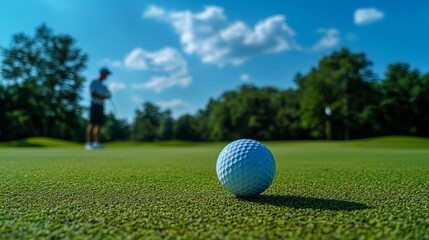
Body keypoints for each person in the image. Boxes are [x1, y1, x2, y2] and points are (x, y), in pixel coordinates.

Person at [85, 67, 112, 150]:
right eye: (106, 74)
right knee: (92, 124)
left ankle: (96, 143)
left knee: (99, 125)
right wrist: (104, 96)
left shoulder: (104, 86)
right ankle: (88, 144)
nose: (106, 76)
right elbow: (93, 94)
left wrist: (108, 95)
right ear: (101, 73)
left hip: (101, 106)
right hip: (94, 105)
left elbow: (108, 94)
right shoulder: (94, 82)